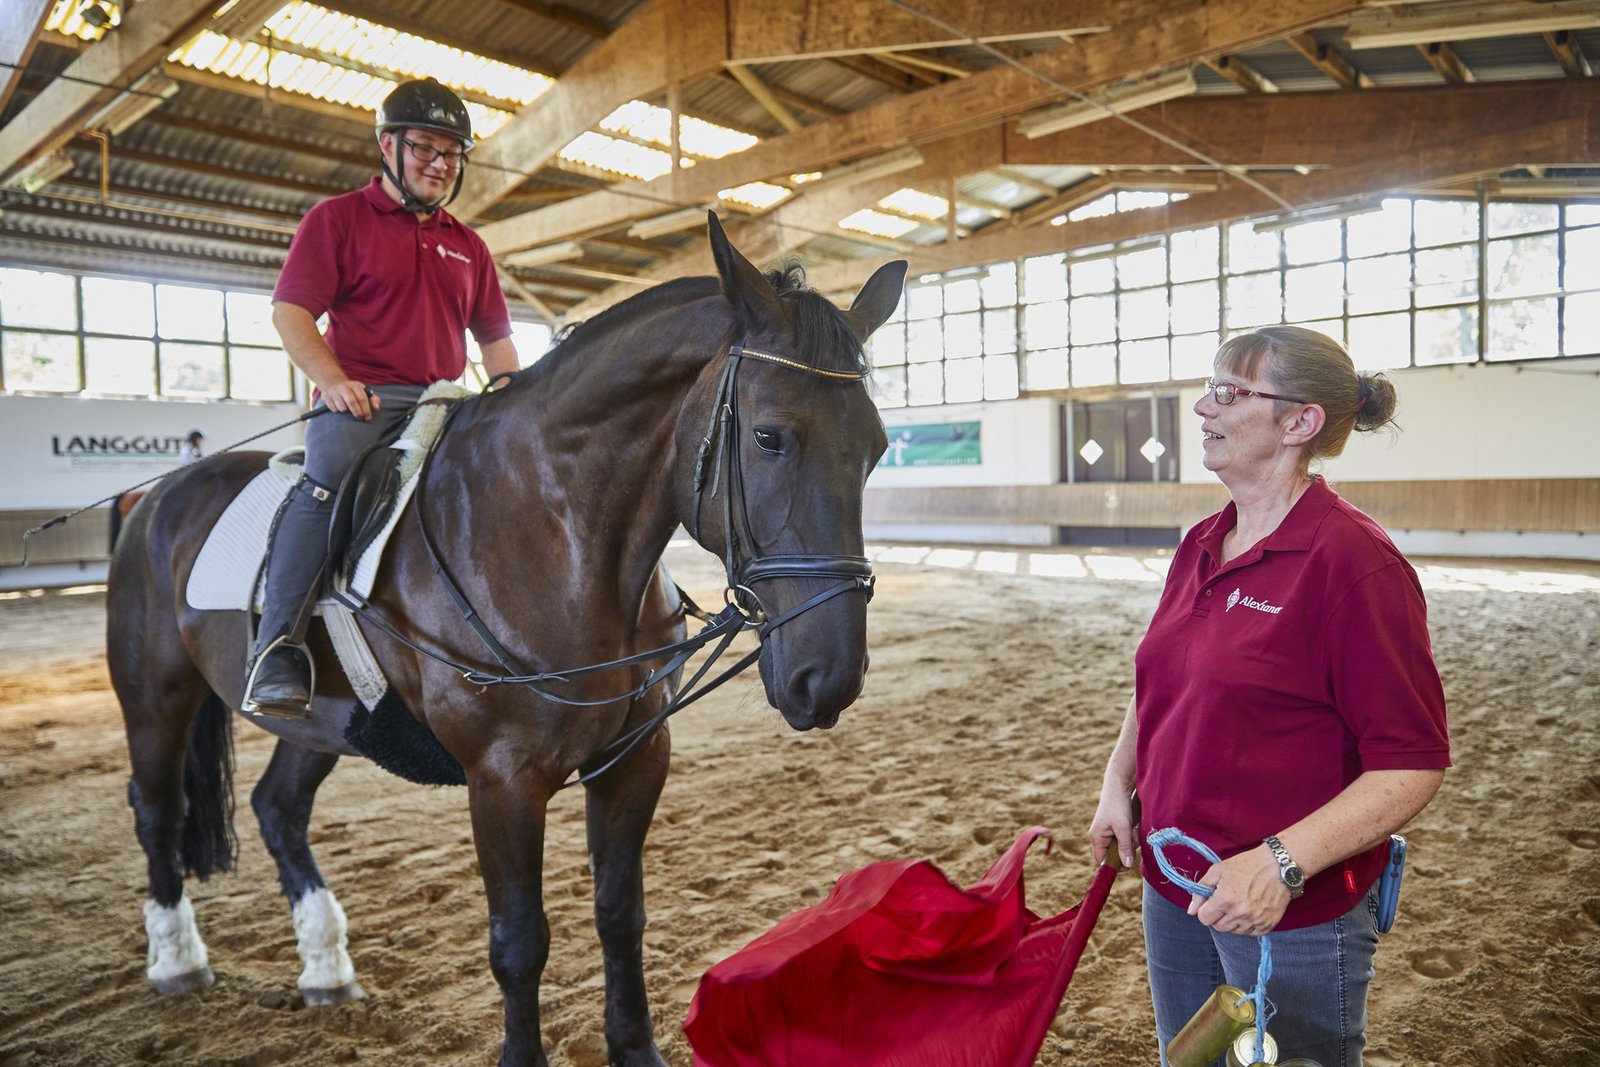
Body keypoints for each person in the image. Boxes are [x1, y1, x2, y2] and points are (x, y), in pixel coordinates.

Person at [1087, 326, 1451, 1067]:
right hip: (1177, 883)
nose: (1202, 407)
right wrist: (1117, 782)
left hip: (1291, 911)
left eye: (1227, 392)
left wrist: (1280, 863)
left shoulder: (1355, 563)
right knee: (1188, 1060)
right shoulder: (1201, 542)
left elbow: (1411, 764)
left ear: (1299, 422)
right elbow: (1162, 677)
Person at [244, 77, 519, 718]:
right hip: (363, 401)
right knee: (325, 485)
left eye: (451, 154)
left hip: (447, 401)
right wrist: (335, 382)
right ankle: (277, 647)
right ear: (387, 147)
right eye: (425, 148)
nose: (440, 164)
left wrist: (509, 396)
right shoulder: (336, 219)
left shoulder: (469, 244)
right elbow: (292, 314)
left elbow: (497, 343)